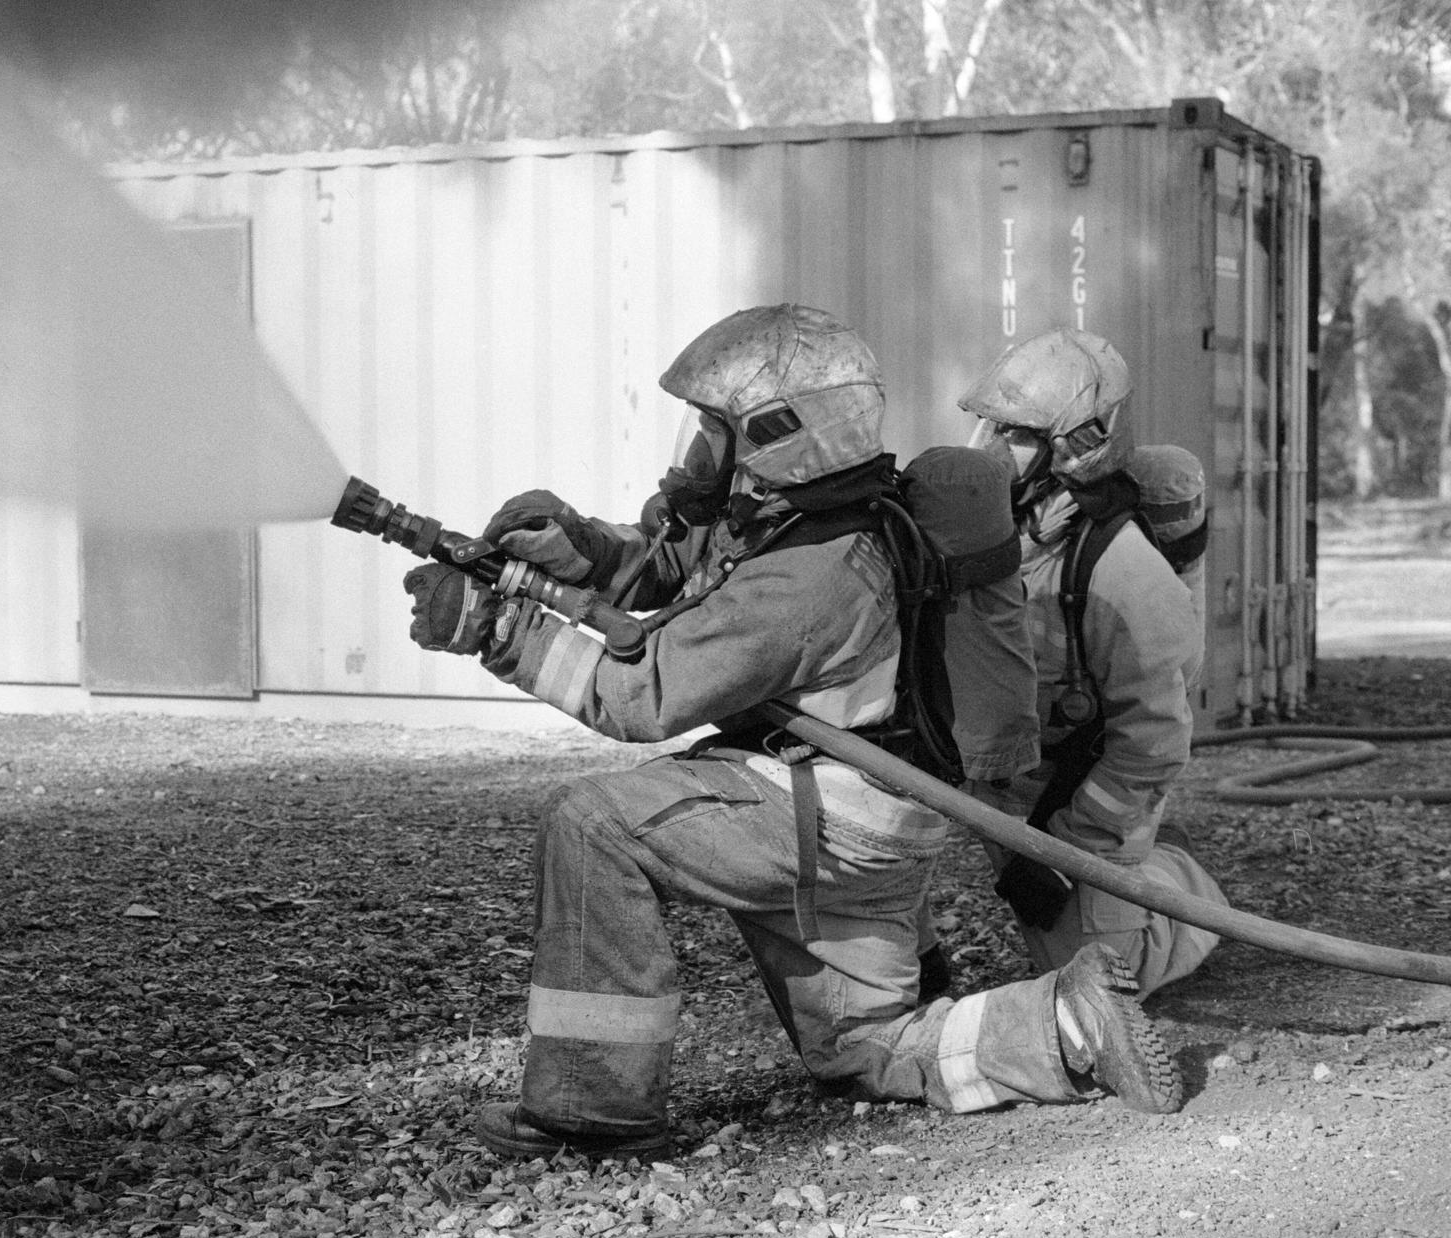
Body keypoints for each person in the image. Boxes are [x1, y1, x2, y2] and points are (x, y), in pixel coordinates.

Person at [400, 306, 1183, 1161]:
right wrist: (581, 549)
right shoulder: (822, 516)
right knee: (868, 1050)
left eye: (714, 430)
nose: (698, 450)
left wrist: (498, 629)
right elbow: (684, 569)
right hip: (879, 823)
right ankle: (1069, 1017)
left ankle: (593, 1109)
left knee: (594, 827)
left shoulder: (814, 574)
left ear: (778, 435)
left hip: (826, 820)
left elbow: (641, 689)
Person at [959, 327, 1226, 998]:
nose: (994, 446)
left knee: (1102, 979)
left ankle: (1181, 883)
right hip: (1010, 781)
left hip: (1087, 799)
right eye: (993, 425)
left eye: (1016, 434)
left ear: (1078, 446)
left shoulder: (1127, 575)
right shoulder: (1008, 531)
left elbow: (1155, 745)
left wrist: (1066, 851)